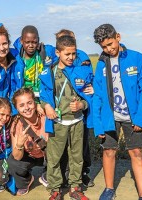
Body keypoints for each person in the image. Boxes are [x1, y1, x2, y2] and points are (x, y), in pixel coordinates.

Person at [92, 24, 142, 200]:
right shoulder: (101, 64)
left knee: (136, 153)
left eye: (110, 44)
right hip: (109, 118)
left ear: (118, 37)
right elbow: (97, 95)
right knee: (109, 151)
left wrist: (141, 117)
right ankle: (109, 189)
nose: (108, 49)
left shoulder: (137, 58)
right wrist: (98, 124)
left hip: (132, 117)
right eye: (104, 47)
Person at [39, 35, 94, 200]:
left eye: (73, 54)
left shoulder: (80, 72)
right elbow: (44, 94)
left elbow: (88, 97)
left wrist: (81, 106)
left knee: (77, 157)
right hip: (58, 123)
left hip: (77, 122)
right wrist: (47, 106)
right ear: (57, 53)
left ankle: (75, 187)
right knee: (54, 158)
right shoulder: (50, 72)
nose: (71, 58)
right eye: (67, 54)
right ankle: (55, 189)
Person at [7, 87, 49, 196]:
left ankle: (48, 175)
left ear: (35, 103)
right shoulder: (16, 125)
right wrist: (20, 144)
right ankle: (27, 179)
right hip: (31, 157)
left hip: (48, 155)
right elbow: (16, 157)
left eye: (29, 103)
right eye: (21, 105)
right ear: (16, 108)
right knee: (12, 162)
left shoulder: (45, 116)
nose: (26, 108)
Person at [12, 25, 58, 114]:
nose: (31, 45)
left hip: (44, 99)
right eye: (27, 42)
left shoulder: (46, 51)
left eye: (34, 42)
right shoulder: (16, 58)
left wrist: (83, 59)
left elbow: (64, 50)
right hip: (26, 103)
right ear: (21, 41)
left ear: (38, 40)